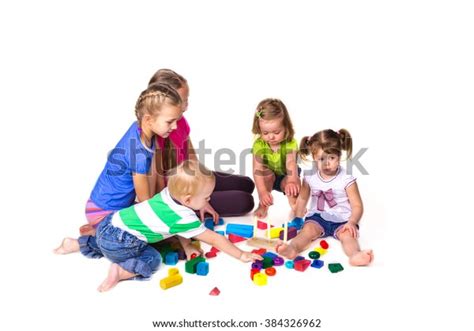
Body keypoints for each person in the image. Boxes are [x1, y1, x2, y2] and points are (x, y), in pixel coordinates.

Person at [55, 160, 263, 292]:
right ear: (188, 200)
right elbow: (216, 239)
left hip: (109, 224)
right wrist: (241, 255)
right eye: (206, 197)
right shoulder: (184, 217)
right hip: (122, 241)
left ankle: (77, 244)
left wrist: (188, 246)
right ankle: (121, 271)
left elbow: (178, 228)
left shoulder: (167, 195)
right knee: (152, 258)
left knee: (108, 243)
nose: (209, 200)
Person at [148, 69, 255, 222]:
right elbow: (157, 188)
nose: (186, 105)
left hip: (193, 178)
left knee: (247, 184)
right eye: (183, 101)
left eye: (187, 99)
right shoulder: (159, 131)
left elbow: (191, 155)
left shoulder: (181, 121)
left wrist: (203, 183)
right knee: (244, 201)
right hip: (181, 192)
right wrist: (201, 202)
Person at [79, 83, 183, 236]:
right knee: (151, 236)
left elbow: (155, 175)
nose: (174, 127)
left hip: (114, 206)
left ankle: (98, 230)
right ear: (148, 120)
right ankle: (89, 237)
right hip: (102, 210)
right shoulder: (137, 153)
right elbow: (144, 201)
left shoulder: (141, 128)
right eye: (169, 122)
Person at [276, 129, 374, 266]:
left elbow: (357, 205)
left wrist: (352, 222)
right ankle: (292, 249)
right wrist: (297, 214)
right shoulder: (310, 176)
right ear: (314, 158)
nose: (326, 163)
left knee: (348, 236)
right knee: (306, 231)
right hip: (317, 217)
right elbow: (303, 198)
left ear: (339, 157)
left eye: (331, 158)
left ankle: (355, 255)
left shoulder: (346, 179)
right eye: (321, 159)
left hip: (343, 219)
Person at [251, 98, 300, 218]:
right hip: (269, 176)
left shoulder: (290, 143)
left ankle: (295, 205)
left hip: (288, 174)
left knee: (294, 184)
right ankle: (263, 205)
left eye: (276, 132)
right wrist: (262, 193)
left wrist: (292, 180)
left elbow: (291, 163)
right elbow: (257, 170)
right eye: (265, 133)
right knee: (264, 173)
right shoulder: (259, 144)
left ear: (286, 128)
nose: (271, 137)